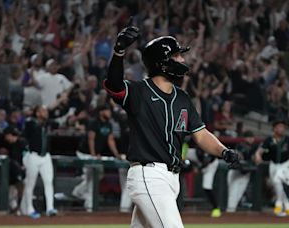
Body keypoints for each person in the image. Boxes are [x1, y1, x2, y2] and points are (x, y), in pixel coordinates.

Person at [103, 25, 239, 227]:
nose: (182, 60)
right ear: (162, 62)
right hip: (148, 175)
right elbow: (114, 85)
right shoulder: (139, 91)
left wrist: (223, 151)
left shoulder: (182, 98)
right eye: (177, 56)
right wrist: (119, 51)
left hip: (171, 179)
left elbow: (200, 134)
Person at [72, 105, 121, 212]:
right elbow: (91, 139)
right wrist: (93, 154)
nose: (109, 113)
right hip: (85, 153)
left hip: (94, 154)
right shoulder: (94, 122)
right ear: (101, 112)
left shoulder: (108, 124)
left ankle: (78, 191)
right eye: (107, 110)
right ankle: (89, 205)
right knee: (92, 178)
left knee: (97, 176)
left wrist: (116, 154)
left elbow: (110, 140)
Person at [254, 120, 289, 216]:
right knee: (277, 185)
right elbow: (260, 150)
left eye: (283, 127)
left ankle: (279, 203)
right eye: (279, 127)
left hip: (285, 164)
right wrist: (258, 156)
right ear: (274, 128)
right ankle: (288, 206)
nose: (281, 129)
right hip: (273, 164)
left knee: (277, 181)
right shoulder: (269, 139)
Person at [21, 105, 57, 218]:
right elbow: (28, 131)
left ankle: (50, 208)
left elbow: (56, 123)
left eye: (46, 111)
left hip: (46, 156)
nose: (45, 113)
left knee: (48, 182)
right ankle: (29, 209)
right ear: (37, 113)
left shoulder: (48, 123)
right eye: (43, 111)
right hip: (33, 156)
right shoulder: (30, 122)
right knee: (30, 183)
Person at [0, 126, 26, 213]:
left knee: (14, 201)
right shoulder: (13, 149)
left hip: (17, 183)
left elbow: (20, 183)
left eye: (6, 136)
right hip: (7, 183)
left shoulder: (22, 144)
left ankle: (14, 210)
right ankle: (7, 211)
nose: (5, 138)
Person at [226, 130, 256, 213]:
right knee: (232, 192)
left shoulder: (254, 147)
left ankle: (231, 211)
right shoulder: (240, 146)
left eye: (252, 137)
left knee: (238, 194)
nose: (251, 139)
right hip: (235, 172)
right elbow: (239, 157)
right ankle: (229, 212)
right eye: (249, 137)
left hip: (246, 173)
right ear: (245, 138)